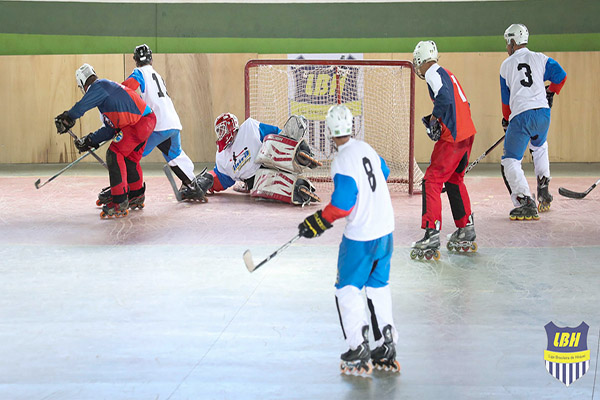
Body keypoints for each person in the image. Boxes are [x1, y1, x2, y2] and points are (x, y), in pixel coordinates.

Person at [297, 104, 400, 376]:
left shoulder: (341, 160)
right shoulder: (367, 149)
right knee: (378, 287)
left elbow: (343, 204)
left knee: (347, 289)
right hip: (386, 230)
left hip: (361, 237)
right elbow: (384, 174)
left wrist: (317, 222)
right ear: (351, 126)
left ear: (330, 131)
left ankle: (358, 346)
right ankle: (386, 343)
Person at [96, 44, 204, 205]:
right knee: (175, 155)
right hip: (172, 123)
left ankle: (124, 191)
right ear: (151, 59)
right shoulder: (158, 75)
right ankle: (192, 185)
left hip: (155, 125)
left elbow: (125, 91)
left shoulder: (139, 73)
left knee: (126, 155)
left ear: (135, 60)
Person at [54, 63, 156, 219]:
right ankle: (136, 195)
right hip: (145, 121)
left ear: (82, 83)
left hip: (138, 123)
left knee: (114, 154)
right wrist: (89, 140)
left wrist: (67, 117)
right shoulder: (108, 94)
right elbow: (111, 129)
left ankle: (120, 201)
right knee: (130, 159)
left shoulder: (99, 86)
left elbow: (82, 106)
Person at [410, 40, 478, 260]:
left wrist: (434, 119)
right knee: (455, 180)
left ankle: (431, 232)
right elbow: (463, 103)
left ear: (420, 60)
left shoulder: (431, 72)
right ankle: (466, 228)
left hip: (453, 137)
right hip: (467, 134)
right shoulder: (448, 73)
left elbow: (445, 99)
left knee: (432, 180)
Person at [500, 23, 567, 220]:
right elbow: (561, 76)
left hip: (521, 116)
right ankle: (544, 189)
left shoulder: (506, 65)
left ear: (513, 42)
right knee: (539, 147)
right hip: (543, 115)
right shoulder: (540, 58)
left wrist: (506, 121)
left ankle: (525, 201)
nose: (506, 48)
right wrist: (551, 92)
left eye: (507, 43)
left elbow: (506, 101)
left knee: (510, 161)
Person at [203, 112, 321, 205]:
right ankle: (297, 190)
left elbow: (272, 132)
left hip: (270, 158)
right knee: (262, 186)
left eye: (222, 129)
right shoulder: (221, 156)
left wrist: (284, 138)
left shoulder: (249, 127)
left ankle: (297, 152)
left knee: (271, 142)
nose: (220, 133)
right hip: (256, 180)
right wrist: (208, 181)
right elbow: (222, 178)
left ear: (230, 125)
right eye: (218, 131)